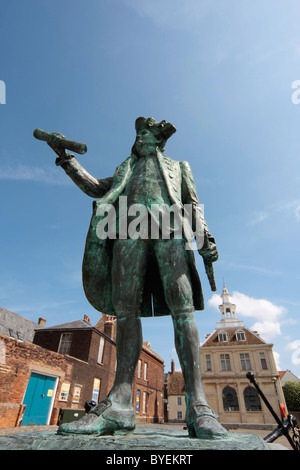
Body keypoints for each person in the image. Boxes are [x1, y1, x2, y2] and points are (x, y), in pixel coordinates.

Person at [48, 117, 227, 438]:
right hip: (127, 228)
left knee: (182, 309)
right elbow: (95, 187)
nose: (139, 138)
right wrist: (66, 158)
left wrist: (205, 240)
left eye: (144, 134)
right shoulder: (125, 167)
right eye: (138, 135)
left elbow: (193, 205)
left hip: (169, 228)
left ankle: (198, 405)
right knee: (125, 309)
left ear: (158, 139)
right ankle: (121, 402)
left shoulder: (179, 166)